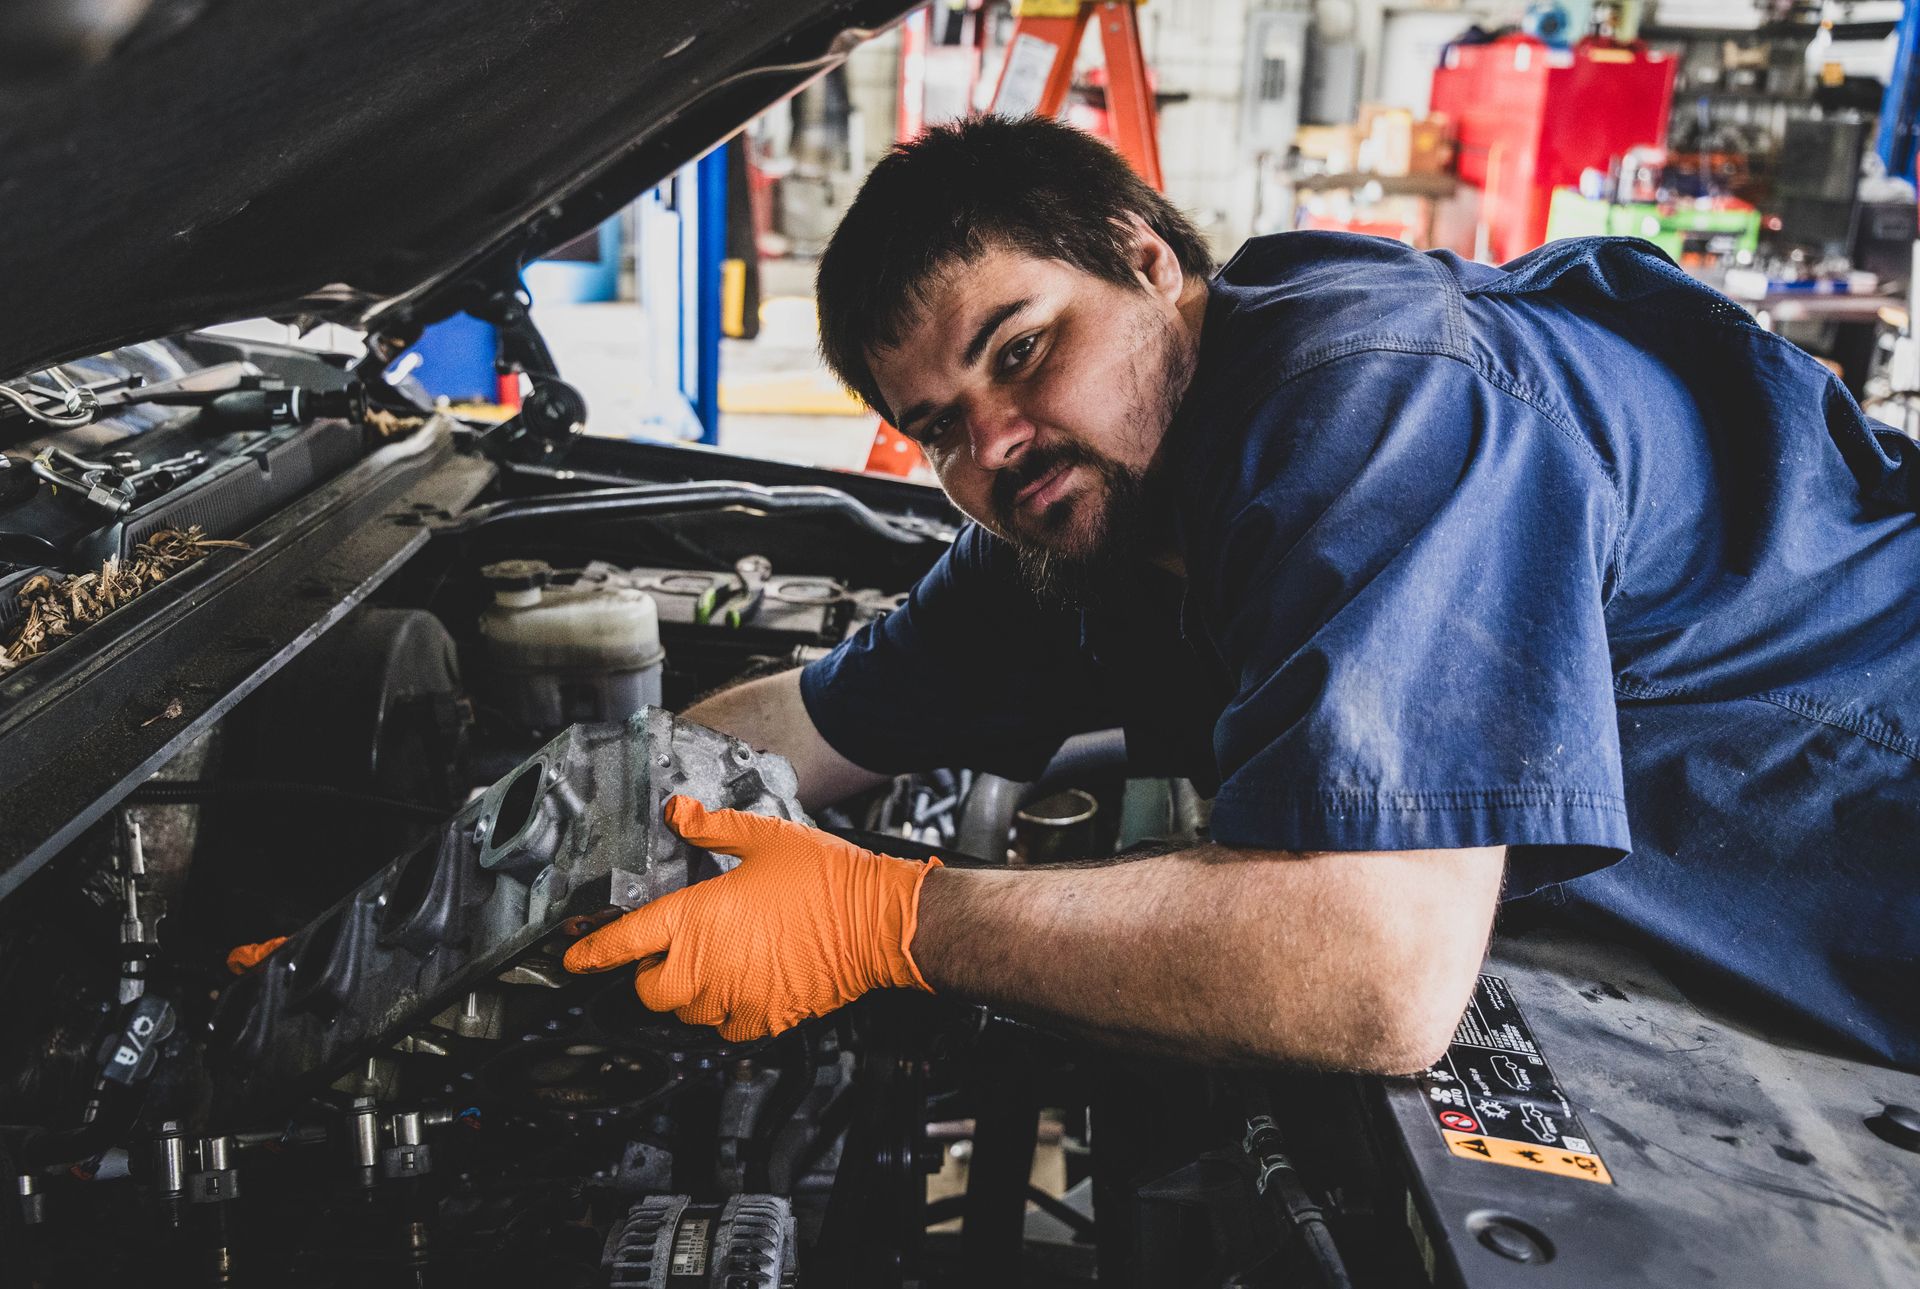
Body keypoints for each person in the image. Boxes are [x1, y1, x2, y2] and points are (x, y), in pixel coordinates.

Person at [564, 115, 1920, 1073]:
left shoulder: (1377, 404)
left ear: (1147, 258)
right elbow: (816, 716)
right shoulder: (1082, 509)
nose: (996, 444)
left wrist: (882, 918)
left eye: (1023, 348)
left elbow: (1372, 970)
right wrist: (590, 820)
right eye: (939, 427)